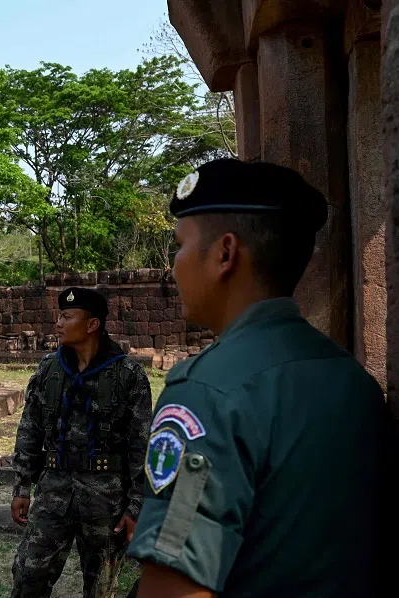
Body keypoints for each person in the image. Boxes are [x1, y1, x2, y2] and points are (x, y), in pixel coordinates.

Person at [126, 158, 396, 597]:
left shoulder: (206, 393)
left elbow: (175, 581)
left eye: (179, 246)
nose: (172, 266)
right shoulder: (353, 380)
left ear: (225, 254)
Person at [10, 287, 152, 598]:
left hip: (106, 498)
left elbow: (141, 446)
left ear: (92, 325)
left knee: (100, 587)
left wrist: (136, 506)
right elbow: (30, 428)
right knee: (28, 577)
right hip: (53, 491)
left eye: (66, 316)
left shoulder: (128, 375)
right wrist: (22, 485)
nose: (58, 323)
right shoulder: (49, 368)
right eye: (59, 316)